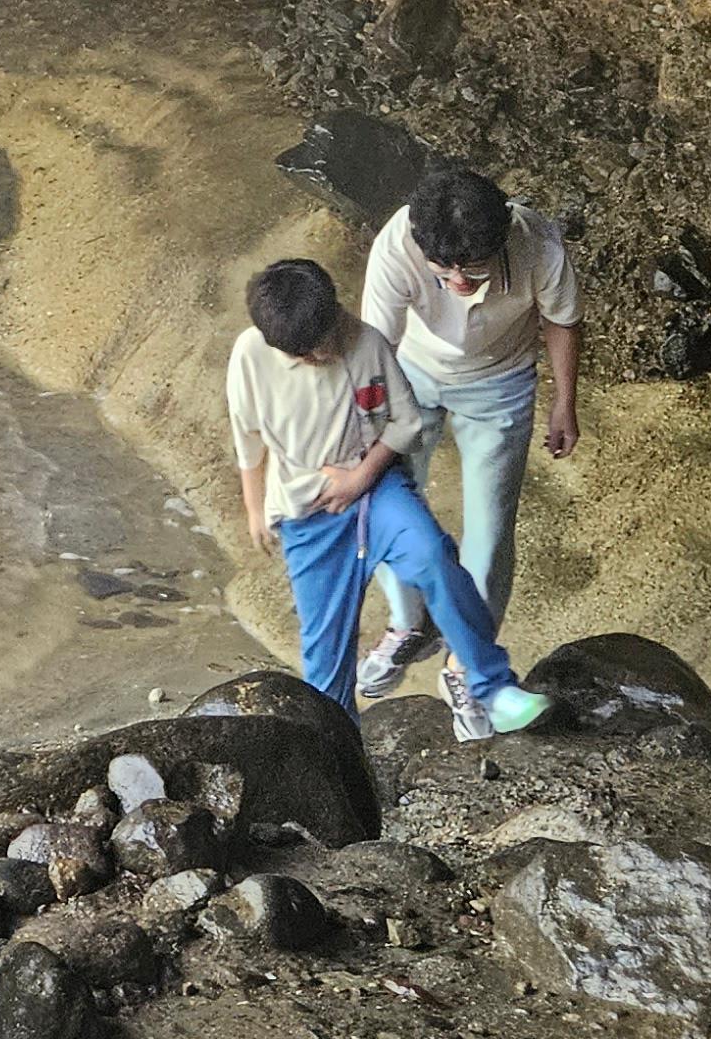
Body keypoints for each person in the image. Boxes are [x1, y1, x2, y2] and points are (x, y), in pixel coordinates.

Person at [228, 256, 550, 736]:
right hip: (308, 512)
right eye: (307, 353)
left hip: (377, 490)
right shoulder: (249, 356)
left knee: (434, 555)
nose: (323, 353)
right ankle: (341, 749)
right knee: (324, 658)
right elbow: (247, 437)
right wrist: (255, 509)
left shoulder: (366, 343)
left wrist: (361, 477)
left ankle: (491, 686)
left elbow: (407, 422)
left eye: (325, 338)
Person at [355, 159, 583, 726]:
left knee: (490, 527)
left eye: (474, 271)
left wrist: (563, 401)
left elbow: (561, 320)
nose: (458, 284)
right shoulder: (397, 246)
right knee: (386, 501)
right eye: (444, 272)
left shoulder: (538, 246)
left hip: (500, 380)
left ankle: (466, 665)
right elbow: (375, 350)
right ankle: (409, 623)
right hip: (410, 372)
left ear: (502, 239)